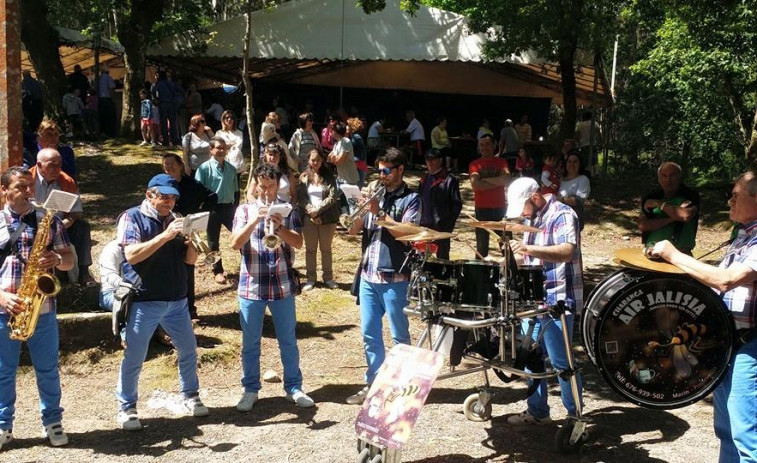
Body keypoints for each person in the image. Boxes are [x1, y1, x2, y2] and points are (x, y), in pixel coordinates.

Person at [650, 171, 757, 462]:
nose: (729, 200)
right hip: (730, 345)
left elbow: (725, 280)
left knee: (748, 438)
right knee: (727, 431)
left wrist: (674, 255)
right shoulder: (743, 236)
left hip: (750, 348)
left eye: (736, 195)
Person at [115, 173, 209, 431]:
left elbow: (189, 261)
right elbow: (132, 255)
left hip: (177, 299)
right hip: (145, 299)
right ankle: (126, 407)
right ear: (149, 195)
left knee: (188, 348)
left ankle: (190, 395)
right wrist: (166, 236)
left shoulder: (177, 220)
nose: (169, 203)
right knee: (135, 355)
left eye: (173, 198)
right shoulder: (131, 217)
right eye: (164, 198)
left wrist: (193, 244)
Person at [0, 166, 75, 450]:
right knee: (3, 371)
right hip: (5, 309)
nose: (29, 192)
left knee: (47, 370)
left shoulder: (47, 219)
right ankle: (3, 426)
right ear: (4, 190)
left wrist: (56, 258)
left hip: (41, 308)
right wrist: (2, 298)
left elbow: (68, 261)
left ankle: (53, 422)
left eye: (30, 186)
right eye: (21, 187)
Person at [230, 163, 315, 411]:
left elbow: (299, 243)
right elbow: (235, 243)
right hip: (251, 287)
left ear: (279, 185)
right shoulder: (244, 210)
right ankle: (250, 389)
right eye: (262, 186)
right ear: (255, 185)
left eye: (271, 186)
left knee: (288, 340)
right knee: (250, 342)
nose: (266, 191)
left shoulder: (289, 210)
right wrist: (255, 220)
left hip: (282, 285)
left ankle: (294, 387)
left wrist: (279, 227)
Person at [504, 177, 584, 425]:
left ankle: (575, 416)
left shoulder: (563, 214)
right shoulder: (532, 219)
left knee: (562, 362)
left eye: (524, 208)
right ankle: (538, 411)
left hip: (559, 298)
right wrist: (505, 262)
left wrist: (527, 249)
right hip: (534, 299)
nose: (523, 214)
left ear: (535, 197)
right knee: (531, 356)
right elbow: (527, 261)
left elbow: (566, 251)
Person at [345, 148, 421, 405]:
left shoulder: (411, 199)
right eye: (379, 170)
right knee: (369, 333)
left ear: (400, 170)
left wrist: (378, 212)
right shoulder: (375, 194)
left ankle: (403, 386)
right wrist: (361, 209)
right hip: (368, 275)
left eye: (387, 171)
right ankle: (374, 383)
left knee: (400, 336)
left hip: (394, 277)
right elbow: (352, 231)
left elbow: (407, 234)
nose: (382, 176)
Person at [162, 153, 217, 321]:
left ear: (180, 165)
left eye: (172, 164)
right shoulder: (161, 185)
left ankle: (190, 310)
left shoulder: (192, 184)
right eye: (165, 165)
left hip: (188, 232)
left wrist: (196, 216)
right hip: (168, 232)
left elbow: (212, 197)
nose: (169, 167)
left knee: (188, 271)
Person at [30, 148, 95, 286]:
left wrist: (60, 226)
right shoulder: (28, 180)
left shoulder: (67, 181)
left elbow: (76, 213)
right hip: (32, 226)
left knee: (82, 227)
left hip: (59, 226)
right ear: (39, 164)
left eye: (59, 165)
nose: (56, 169)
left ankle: (84, 272)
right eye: (51, 165)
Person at [195, 137, 239, 285]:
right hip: (212, 210)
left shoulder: (232, 169)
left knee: (241, 236)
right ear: (211, 150)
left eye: (223, 148)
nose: (221, 151)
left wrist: (236, 208)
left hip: (229, 208)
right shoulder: (204, 168)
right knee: (213, 242)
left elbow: (236, 191)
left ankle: (249, 264)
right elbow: (197, 190)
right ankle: (218, 271)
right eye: (218, 148)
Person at [297, 150, 340, 291]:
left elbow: (333, 197)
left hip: (327, 218)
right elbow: (301, 197)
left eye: (318, 160)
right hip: (309, 218)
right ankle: (311, 278)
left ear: (322, 161)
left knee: (326, 249)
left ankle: (328, 278)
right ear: (308, 160)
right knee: (310, 249)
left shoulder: (329, 177)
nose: (315, 163)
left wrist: (318, 211)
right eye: (312, 160)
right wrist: (311, 211)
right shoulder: (303, 177)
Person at [638, 162, 700, 255]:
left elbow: (686, 215)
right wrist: (673, 217)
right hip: (652, 251)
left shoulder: (690, 195)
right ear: (659, 178)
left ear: (680, 177)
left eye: (672, 175)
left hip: (680, 253)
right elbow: (643, 226)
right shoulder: (650, 196)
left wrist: (659, 204)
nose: (668, 180)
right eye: (664, 175)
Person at [469, 134, 511, 258]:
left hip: (500, 209)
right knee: (481, 248)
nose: (484, 147)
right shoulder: (474, 164)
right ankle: (481, 276)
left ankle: (511, 275)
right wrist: (498, 181)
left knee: (507, 247)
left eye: (487, 144)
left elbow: (507, 179)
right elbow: (476, 185)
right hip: (482, 209)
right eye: (481, 145)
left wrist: (485, 179)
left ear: (494, 145)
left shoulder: (501, 162)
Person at [418, 148, 462, 259]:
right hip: (424, 226)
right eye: (427, 159)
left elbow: (456, 205)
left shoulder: (450, 180)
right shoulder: (424, 178)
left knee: (442, 259)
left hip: (441, 228)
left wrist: (447, 226)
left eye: (433, 159)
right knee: (422, 259)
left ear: (440, 160)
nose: (430, 162)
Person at [327, 121, 359, 212]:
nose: (331, 132)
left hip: (350, 179)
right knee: (331, 197)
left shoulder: (346, 141)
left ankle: (353, 224)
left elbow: (339, 161)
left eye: (332, 130)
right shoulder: (337, 144)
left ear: (336, 131)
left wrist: (334, 158)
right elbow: (329, 159)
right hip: (340, 179)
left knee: (352, 204)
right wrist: (334, 158)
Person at [215, 110, 247, 202]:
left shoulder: (239, 133)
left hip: (235, 163)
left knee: (236, 187)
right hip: (223, 162)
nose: (229, 119)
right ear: (223, 119)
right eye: (227, 117)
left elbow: (238, 146)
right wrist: (228, 145)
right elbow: (218, 146)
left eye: (231, 118)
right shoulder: (219, 133)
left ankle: (236, 205)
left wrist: (225, 145)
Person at [557, 152, 591, 230]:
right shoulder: (559, 179)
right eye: (569, 161)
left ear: (580, 164)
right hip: (557, 219)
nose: (571, 164)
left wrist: (560, 199)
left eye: (575, 162)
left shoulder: (583, 179)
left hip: (572, 221)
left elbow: (579, 200)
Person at [151, 70, 181, 147]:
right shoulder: (170, 83)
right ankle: (175, 140)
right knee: (172, 123)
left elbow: (153, 92)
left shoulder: (158, 84)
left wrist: (157, 99)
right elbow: (179, 91)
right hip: (171, 104)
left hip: (163, 104)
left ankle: (166, 141)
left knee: (163, 124)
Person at [576, 111, 602, 177]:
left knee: (586, 160)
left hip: (584, 145)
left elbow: (577, 135)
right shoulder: (595, 123)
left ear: (584, 117)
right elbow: (599, 134)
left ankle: (588, 174)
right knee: (594, 159)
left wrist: (577, 142)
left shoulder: (581, 125)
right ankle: (596, 173)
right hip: (593, 144)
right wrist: (601, 142)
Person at [347, 117, 368, 189]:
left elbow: (361, 154)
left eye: (348, 125)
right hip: (358, 164)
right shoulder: (354, 136)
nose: (346, 127)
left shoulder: (356, 137)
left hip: (359, 165)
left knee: (357, 187)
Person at [98, 68, 117, 138]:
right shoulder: (108, 78)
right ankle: (110, 133)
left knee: (102, 117)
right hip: (107, 99)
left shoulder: (99, 78)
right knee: (109, 117)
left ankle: (103, 132)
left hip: (100, 99)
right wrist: (113, 98)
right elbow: (111, 88)